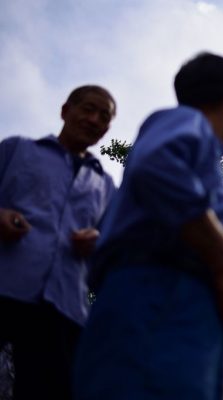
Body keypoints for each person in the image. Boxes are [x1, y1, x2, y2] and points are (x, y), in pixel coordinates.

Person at [73, 52, 223, 400]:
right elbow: (156, 166)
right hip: (161, 298)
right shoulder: (188, 121)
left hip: (164, 306)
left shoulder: (197, 148)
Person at [0, 85, 117, 400]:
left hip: (64, 307)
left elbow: (113, 253)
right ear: (66, 111)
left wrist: (98, 241)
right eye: (87, 109)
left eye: (103, 116)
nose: (93, 119)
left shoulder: (106, 186)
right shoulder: (16, 150)